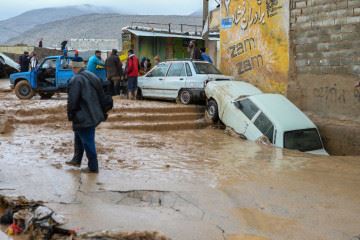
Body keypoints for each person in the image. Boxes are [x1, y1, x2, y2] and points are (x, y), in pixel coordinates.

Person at [66, 58, 106, 173]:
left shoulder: (76, 79)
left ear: (74, 67)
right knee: (79, 136)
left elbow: (72, 101)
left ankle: (93, 167)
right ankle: (76, 159)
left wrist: (70, 114)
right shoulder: (90, 74)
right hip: (93, 113)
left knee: (88, 141)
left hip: (83, 115)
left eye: (72, 67)